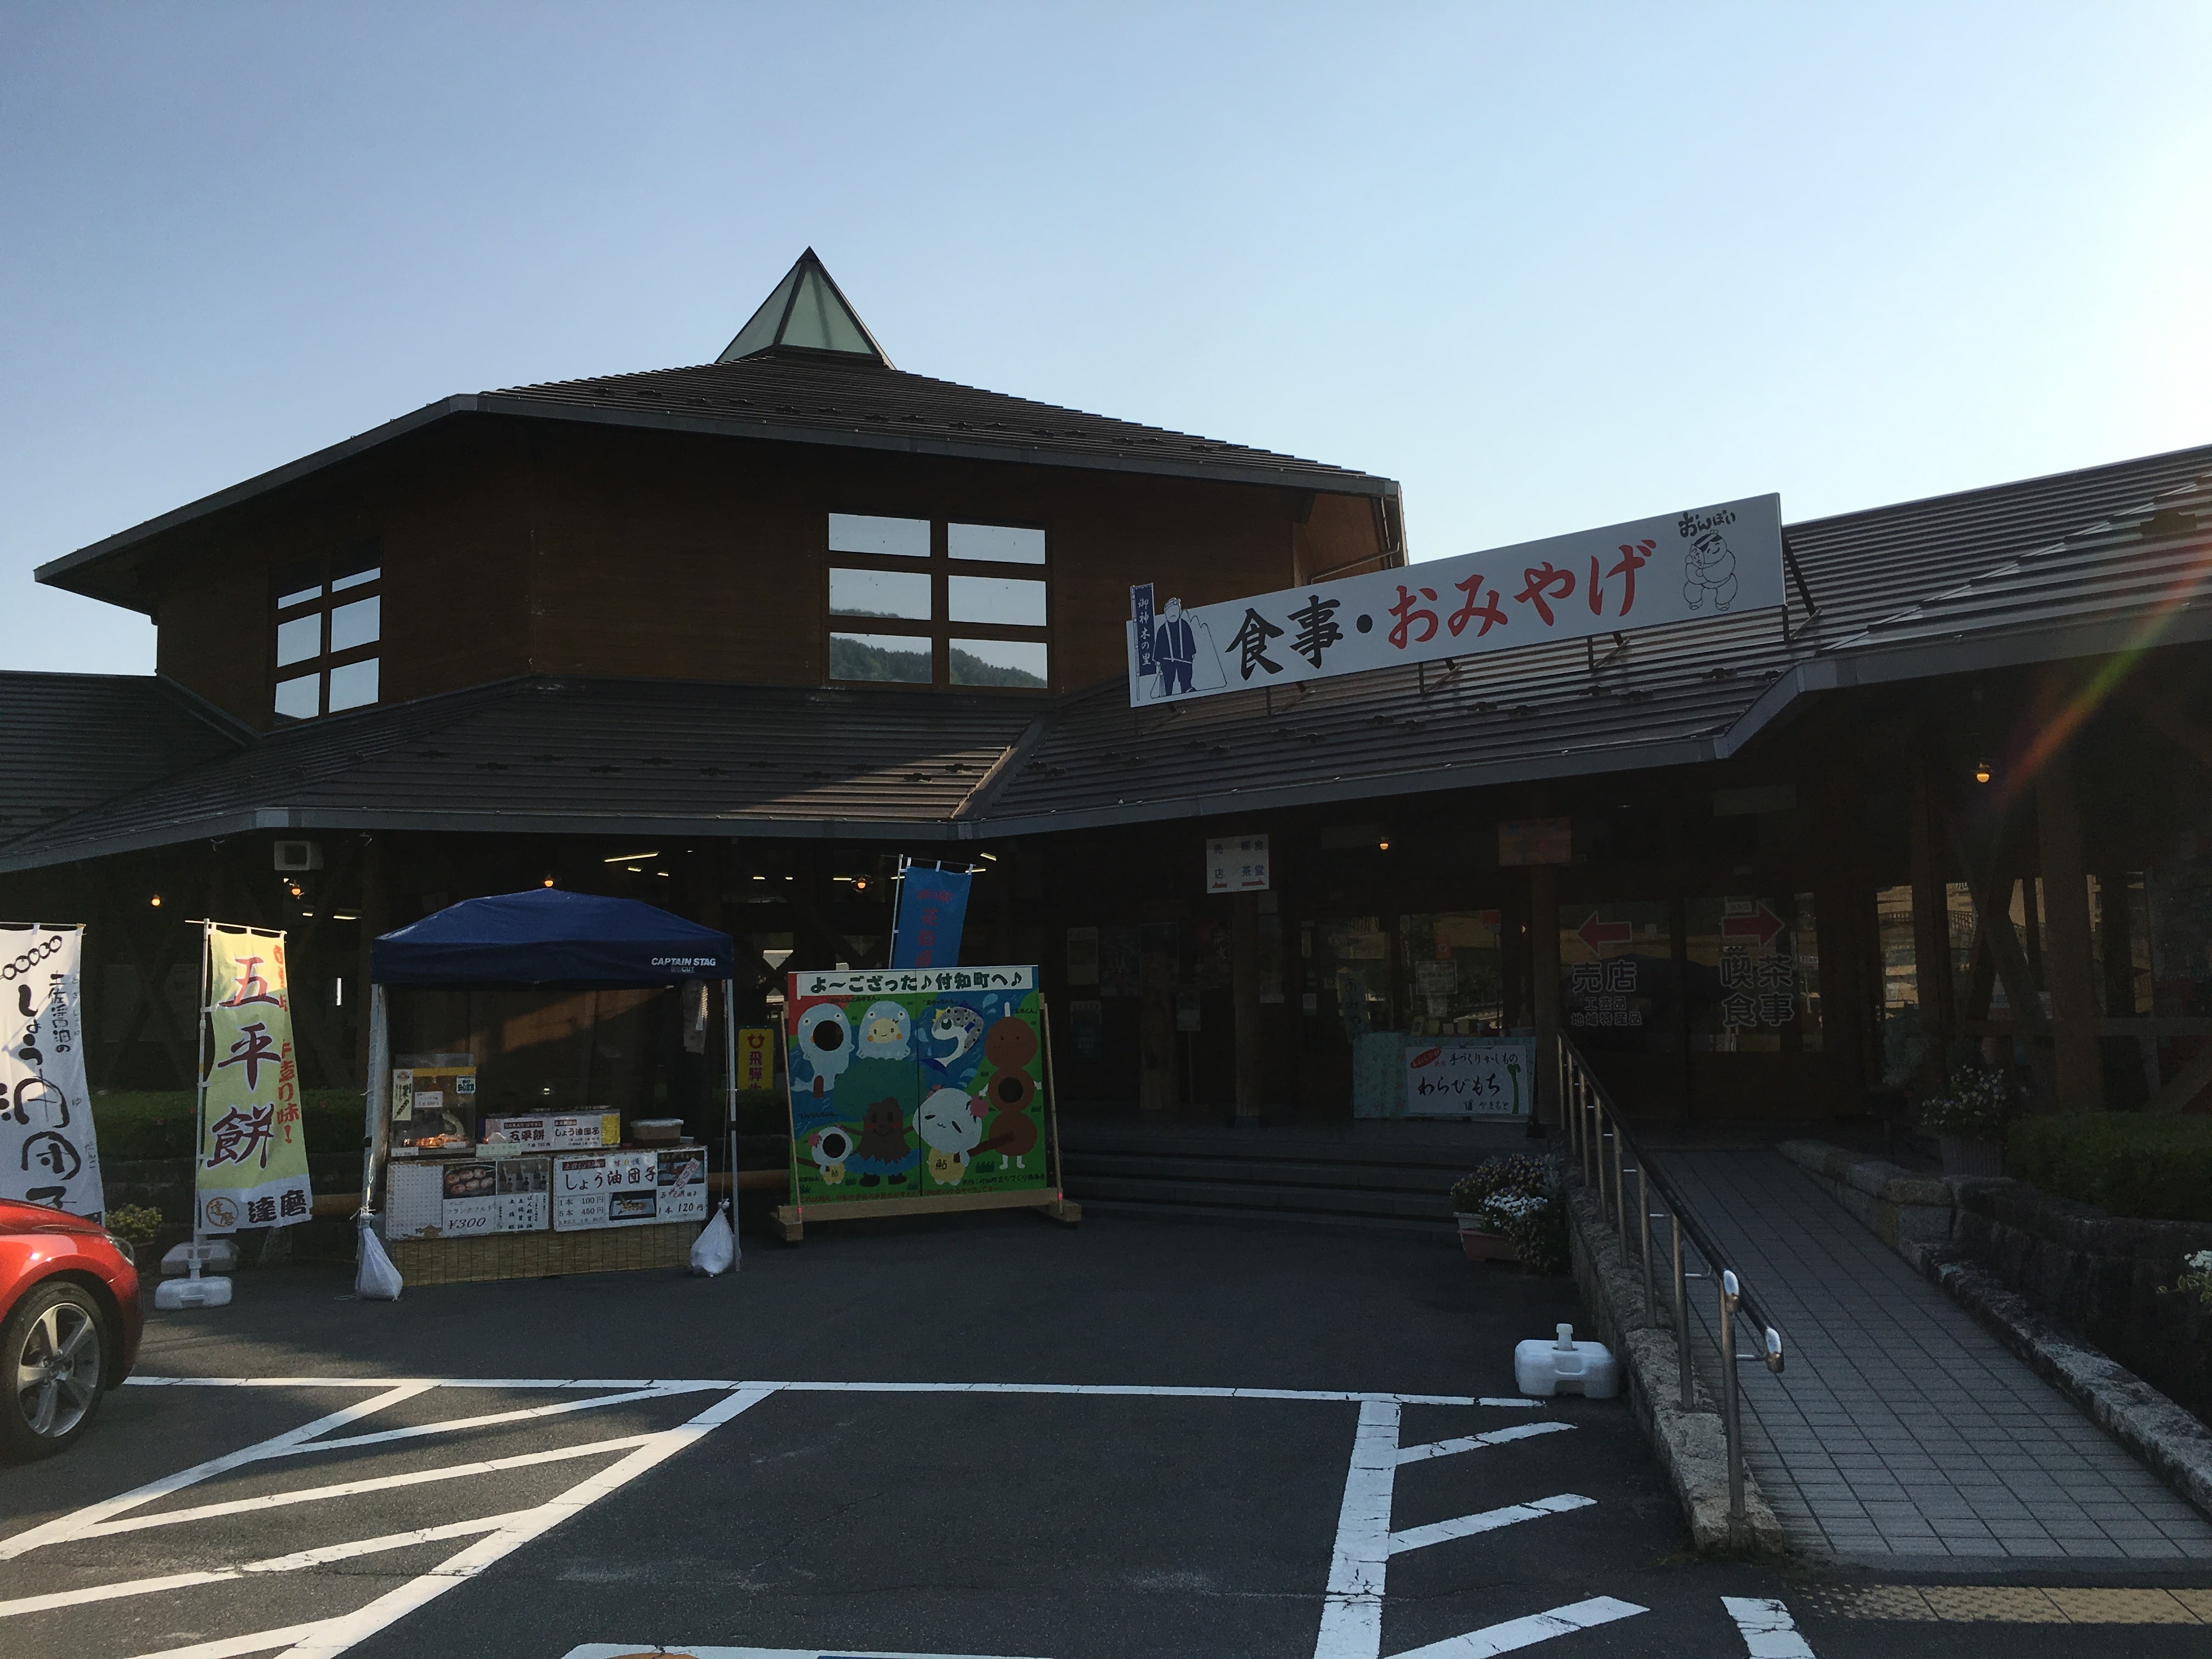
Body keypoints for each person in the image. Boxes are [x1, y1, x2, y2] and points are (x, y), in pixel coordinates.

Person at [1153, 597, 1197, 696]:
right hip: (1167, 660)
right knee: (1168, 677)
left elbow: (1189, 640)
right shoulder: (1162, 629)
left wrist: (1191, 652)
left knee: (1185, 674)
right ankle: (1167, 693)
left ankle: (1187, 688)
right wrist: (1157, 659)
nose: (1173, 614)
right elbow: (1159, 644)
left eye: (1175, 611)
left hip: (1184, 658)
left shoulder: (1184, 625)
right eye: (1170, 612)